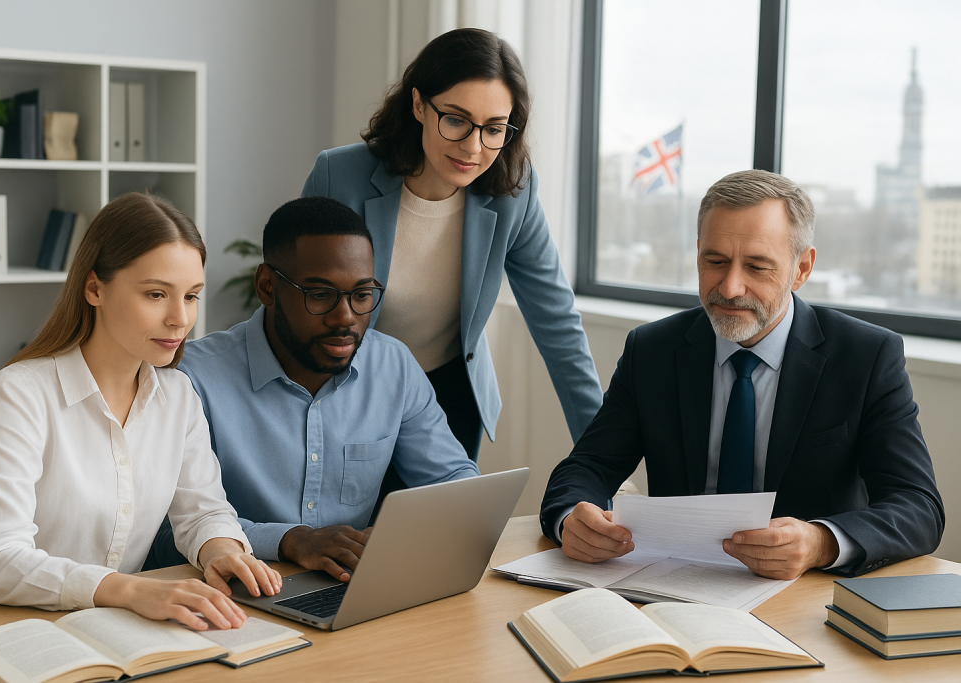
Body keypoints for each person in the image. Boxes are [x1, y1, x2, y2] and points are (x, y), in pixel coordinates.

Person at [540, 169, 944, 580]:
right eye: (714, 261)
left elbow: (918, 507)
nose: (731, 287)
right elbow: (586, 467)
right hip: (673, 585)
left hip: (805, 596)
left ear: (801, 268)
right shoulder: (652, 350)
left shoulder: (866, 356)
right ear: (698, 251)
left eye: (757, 266)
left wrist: (821, 542)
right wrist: (572, 519)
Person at [0, 193, 280, 631]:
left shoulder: (178, 396)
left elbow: (202, 511)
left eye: (192, 296)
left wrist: (223, 551)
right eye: (156, 294)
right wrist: (131, 590)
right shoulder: (17, 396)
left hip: (104, 621)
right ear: (94, 288)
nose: (180, 319)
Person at [301, 28, 601, 464]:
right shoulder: (339, 175)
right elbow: (294, 299)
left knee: (448, 531)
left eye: (494, 129)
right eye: (457, 120)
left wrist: (603, 461)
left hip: (449, 396)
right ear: (419, 104)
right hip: (348, 388)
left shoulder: (514, 192)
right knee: (353, 533)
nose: (474, 148)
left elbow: (558, 325)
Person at [149, 197, 480, 583]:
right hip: (228, 592)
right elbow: (160, 534)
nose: (345, 318)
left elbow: (454, 483)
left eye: (361, 295)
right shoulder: (192, 378)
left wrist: (398, 534)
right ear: (267, 286)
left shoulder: (393, 367)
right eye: (320, 295)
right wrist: (289, 540)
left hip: (348, 587)